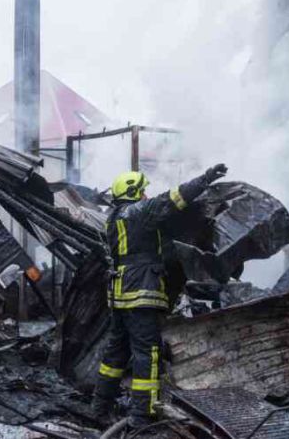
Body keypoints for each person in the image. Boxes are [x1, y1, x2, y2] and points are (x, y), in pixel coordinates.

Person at [91, 163, 229, 428]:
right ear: (133, 193)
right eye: (142, 190)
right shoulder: (140, 212)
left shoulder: (113, 218)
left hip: (120, 295)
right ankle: (142, 416)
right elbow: (174, 197)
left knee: (115, 354)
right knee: (147, 353)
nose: (146, 195)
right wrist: (206, 178)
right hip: (140, 292)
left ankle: (100, 408)